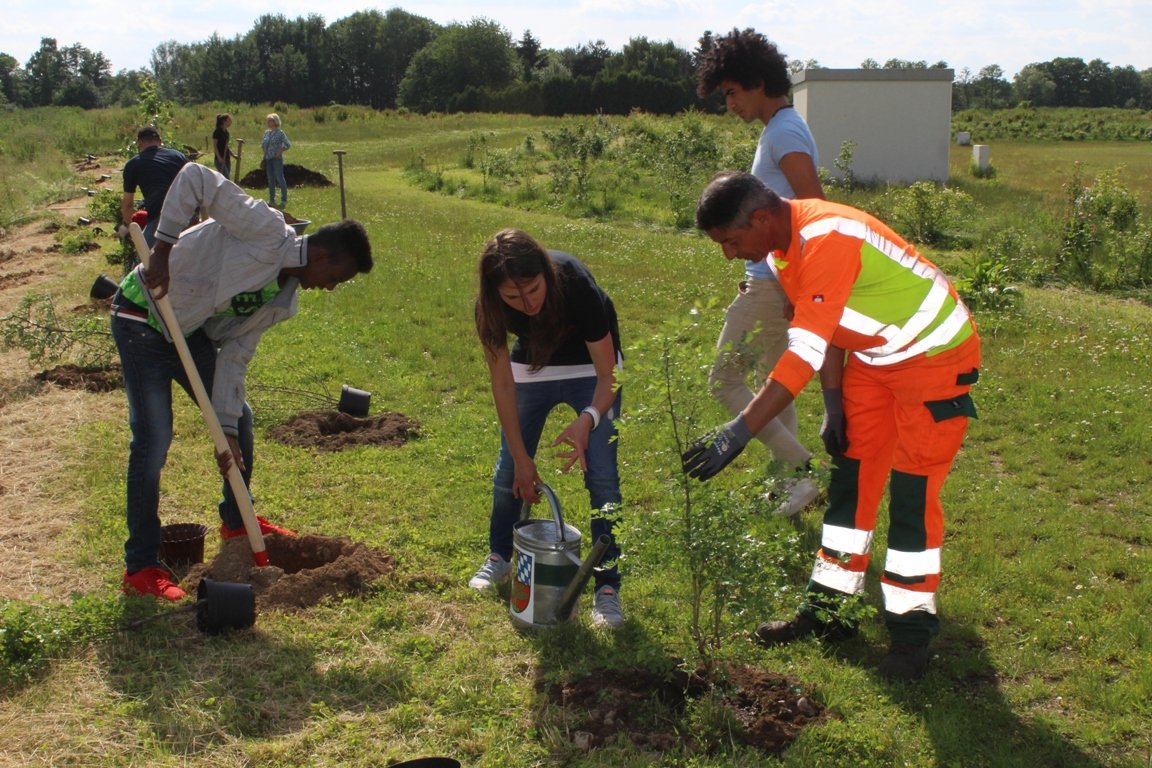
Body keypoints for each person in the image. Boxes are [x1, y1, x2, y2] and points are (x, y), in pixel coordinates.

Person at [685, 172, 981, 680]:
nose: (729, 255)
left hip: (934, 361)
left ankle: (911, 636)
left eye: (732, 241)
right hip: (875, 360)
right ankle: (829, 614)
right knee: (850, 484)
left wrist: (739, 429)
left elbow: (806, 349)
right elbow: (828, 326)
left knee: (911, 497)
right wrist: (835, 403)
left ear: (760, 218)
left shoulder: (826, 237)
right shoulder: (783, 247)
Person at [111, 162, 374, 601]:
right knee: (154, 437)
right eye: (336, 278)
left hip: (187, 331)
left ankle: (237, 521)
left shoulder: (283, 301)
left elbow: (233, 356)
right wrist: (162, 248)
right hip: (142, 316)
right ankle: (139, 567)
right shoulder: (266, 229)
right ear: (323, 256)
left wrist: (227, 430)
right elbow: (196, 177)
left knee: (242, 421)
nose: (331, 288)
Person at [695, 29, 825, 517]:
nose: (729, 103)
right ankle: (790, 482)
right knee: (777, 383)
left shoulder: (785, 132)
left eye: (731, 92)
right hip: (772, 276)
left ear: (756, 82)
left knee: (724, 381)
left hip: (776, 284)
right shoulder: (781, 128)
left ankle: (803, 468)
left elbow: (814, 208)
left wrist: (801, 284)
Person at [470, 228, 625, 628]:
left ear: (546, 274)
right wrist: (523, 458)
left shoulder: (574, 281)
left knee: (603, 477)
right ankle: (499, 557)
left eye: (534, 290)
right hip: (532, 367)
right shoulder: (488, 307)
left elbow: (609, 375)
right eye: (512, 298)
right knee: (508, 471)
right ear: (495, 294)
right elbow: (503, 382)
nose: (527, 304)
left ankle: (607, 587)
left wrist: (587, 418)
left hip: (591, 369)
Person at [121, 125, 188, 247]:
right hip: (188, 214)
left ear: (140, 142)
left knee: (145, 260)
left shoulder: (134, 164)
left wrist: (133, 232)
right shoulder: (178, 156)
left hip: (161, 218)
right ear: (160, 140)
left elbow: (127, 206)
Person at [261, 113, 291, 208]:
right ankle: (271, 200)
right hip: (268, 158)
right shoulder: (266, 133)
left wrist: (280, 151)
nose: (268, 122)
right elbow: (263, 144)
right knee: (271, 179)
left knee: (279, 178)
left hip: (276, 159)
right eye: (268, 120)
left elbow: (287, 144)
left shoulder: (280, 133)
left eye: (270, 120)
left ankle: (284, 200)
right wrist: (264, 153)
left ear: (275, 121)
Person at [212, 113, 237, 180]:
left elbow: (226, 147)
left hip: (227, 159)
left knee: (225, 178)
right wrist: (219, 158)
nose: (231, 122)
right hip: (219, 160)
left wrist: (233, 155)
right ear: (224, 121)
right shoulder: (217, 132)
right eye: (229, 120)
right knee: (226, 178)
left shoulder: (226, 133)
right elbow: (215, 146)